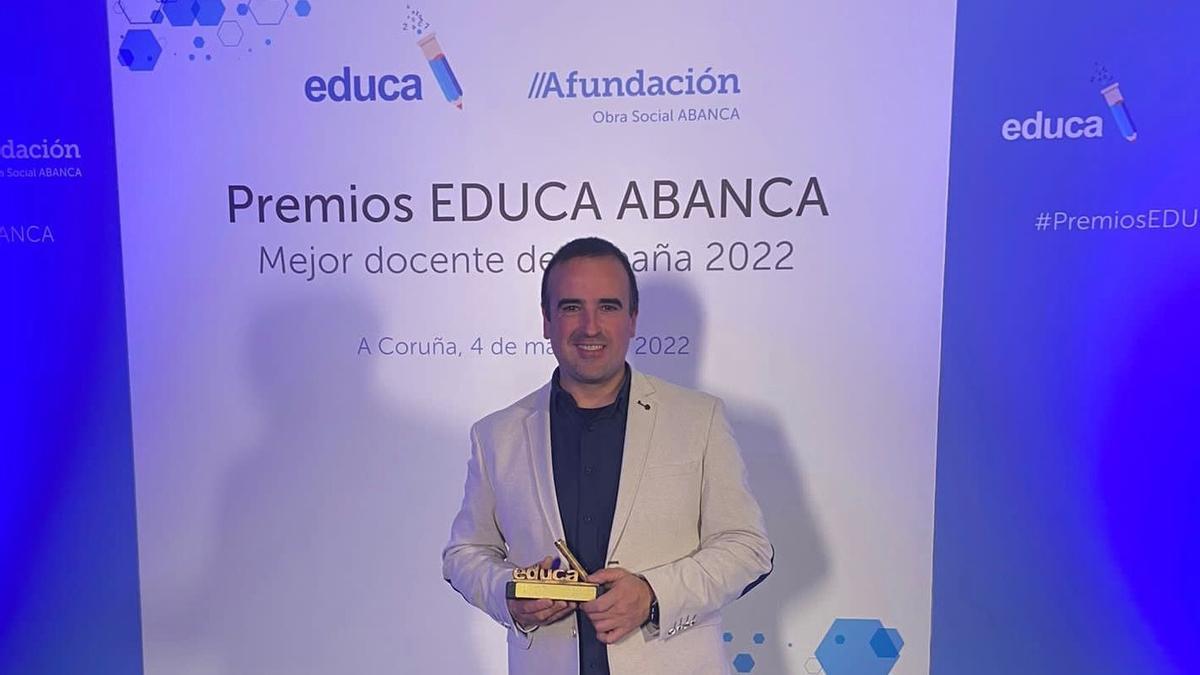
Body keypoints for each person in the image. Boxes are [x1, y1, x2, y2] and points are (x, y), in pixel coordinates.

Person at [443, 237, 772, 674]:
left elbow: (749, 548)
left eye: (609, 307)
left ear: (633, 319)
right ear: (546, 320)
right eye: (571, 307)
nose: (590, 326)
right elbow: (465, 553)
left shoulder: (699, 419)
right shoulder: (496, 435)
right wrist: (509, 592)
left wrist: (654, 594)